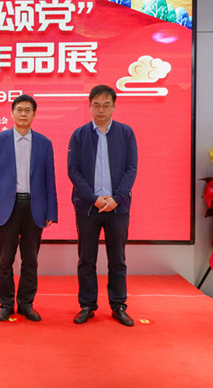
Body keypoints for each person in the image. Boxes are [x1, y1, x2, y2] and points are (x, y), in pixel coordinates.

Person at [68, 84, 138, 327]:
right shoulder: (79, 135)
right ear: (89, 107)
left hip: (117, 207)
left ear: (114, 107)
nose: (101, 110)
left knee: (117, 258)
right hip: (88, 207)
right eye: (96, 105)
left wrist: (116, 198)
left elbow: (131, 169)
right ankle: (87, 305)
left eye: (106, 105)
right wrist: (94, 199)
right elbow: (73, 171)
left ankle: (118, 305)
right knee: (86, 259)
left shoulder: (126, 133)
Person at [0, 94, 57, 322]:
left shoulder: (44, 143)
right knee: (4, 260)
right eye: (19, 110)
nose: (23, 114)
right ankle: (6, 304)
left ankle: (26, 303)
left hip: (34, 208)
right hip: (6, 207)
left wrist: (51, 211)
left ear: (34, 114)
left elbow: (50, 179)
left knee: (30, 260)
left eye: (28, 110)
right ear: (12, 113)